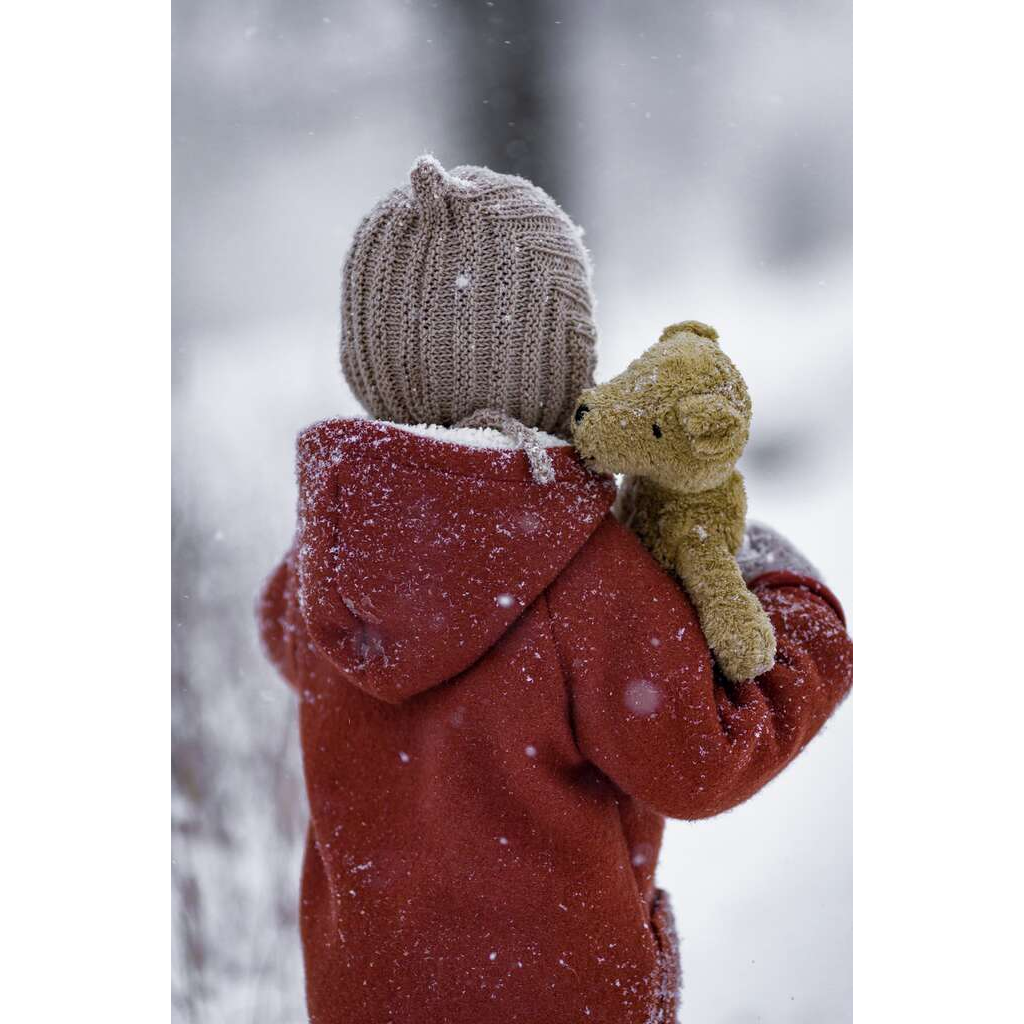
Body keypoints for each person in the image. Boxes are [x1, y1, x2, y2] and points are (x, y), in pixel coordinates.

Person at [258, 156, 852, 1024]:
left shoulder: (330, 552)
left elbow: (284, 631)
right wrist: (798, 611)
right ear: (559, 360)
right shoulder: (584, 575)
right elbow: (702, 759)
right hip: (564, 1001)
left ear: (367, 355)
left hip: (365, 1000)